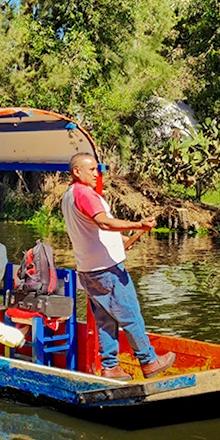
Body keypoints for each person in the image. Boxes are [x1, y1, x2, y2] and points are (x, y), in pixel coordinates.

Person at [62, 153, 175, 379]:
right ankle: (148, 360)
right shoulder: (85, 193)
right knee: (129, 313)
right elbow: (103, 222)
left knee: (106, 320)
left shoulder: (68, 196)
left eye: (97, 169)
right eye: (92, 169)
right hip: (106, 269)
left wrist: (124, 239)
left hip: (88, 269)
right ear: (77, 172)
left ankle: (110, 367)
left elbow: (91, 229)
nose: (96, 174)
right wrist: (137, 223)